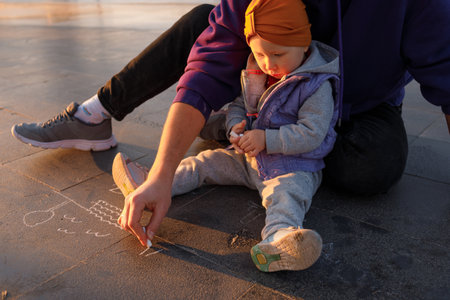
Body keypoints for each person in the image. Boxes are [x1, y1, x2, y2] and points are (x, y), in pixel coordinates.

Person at [11, 0, 450, 249]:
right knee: (203, 23)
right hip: (263, 95)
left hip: (358, 105)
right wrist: (162, 174)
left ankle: (230, 132)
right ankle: (94, 113)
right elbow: (208, 65)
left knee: (372, 166)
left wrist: (284, 138)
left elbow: (446, 71)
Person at [113, 0, 340, 272]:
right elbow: (239, 104)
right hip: (247, 159)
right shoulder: (257, 68)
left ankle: (280, 241)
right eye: (260, 54)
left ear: (304, 43)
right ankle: (154, 184)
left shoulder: (316, 84)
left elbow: (313, 133)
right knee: (203, 163)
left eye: (278, 54)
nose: (269, 64)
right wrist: (234, 127)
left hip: (292, 166)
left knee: (285, 197)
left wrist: (266, 140)